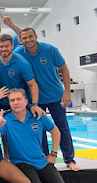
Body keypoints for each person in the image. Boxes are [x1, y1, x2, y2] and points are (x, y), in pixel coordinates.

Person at [15, 27, 79, 171]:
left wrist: (67, 92)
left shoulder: (50, 49)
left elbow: (64, 69)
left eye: (30, 37)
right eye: (24, 38)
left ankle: (69, 158)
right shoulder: (18, 53)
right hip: (35, 99)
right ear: (20, 40)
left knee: (62, 127)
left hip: (55, 95)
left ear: (36, 36)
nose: (28, 40)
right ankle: (43, 159)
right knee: (39, 130)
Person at [0, 34, 39, 110]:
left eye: (7, 46)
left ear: (12, 46)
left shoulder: (23, 63)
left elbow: (32, 85)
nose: (4, 49)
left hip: (18, 102)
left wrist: (35, 105)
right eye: (1, 46)